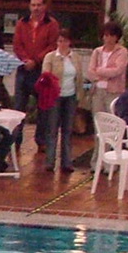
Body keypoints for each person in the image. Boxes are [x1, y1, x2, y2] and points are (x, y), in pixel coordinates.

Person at [12, 0, 59, 136]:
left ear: (44, 6)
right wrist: (26, 59)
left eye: (39, 5)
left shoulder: (52, 24)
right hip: (23, 68)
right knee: (19, 107)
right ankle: (15, 140)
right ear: (29, 7)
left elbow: (52, 45)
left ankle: (41, 141)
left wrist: (36, 60)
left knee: (43, 108)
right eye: (33, 5)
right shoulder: (22, 23)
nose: (36, 8)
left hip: (42, 69)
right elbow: (17, 45)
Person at [39, 30, 79, 172]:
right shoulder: (50, 57)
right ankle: (50, 161)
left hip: (70, 96)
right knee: (52, 129)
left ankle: (67, 162)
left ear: (69, 42)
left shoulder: (75, 57)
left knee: (67, 130)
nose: (62, 44)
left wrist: (81, 95)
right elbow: (45, 74)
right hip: (55, 96)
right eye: (60, 41)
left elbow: (79, 78)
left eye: (65, 41)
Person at [87, 21, 128, 126]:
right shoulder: (97, 51)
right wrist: (100, 77)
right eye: (106, 35)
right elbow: (90, 71)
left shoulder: (122, 52)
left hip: (114, 92)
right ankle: (99, 143)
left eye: (111, 35)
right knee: (98, 122)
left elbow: (117, 70)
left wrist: (100, 70)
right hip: (98, 91)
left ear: (117, 37)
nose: (108, 38)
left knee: (112, 121)